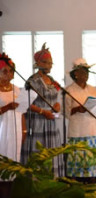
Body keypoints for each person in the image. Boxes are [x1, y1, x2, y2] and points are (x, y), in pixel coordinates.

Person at [21, 43, 64, 176]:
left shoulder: (52, 80)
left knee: (52, 151)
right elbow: (26, 103)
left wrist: (57, 106)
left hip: (51, 122)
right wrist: (42, 111)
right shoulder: (32, 81)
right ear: (38, 62)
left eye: (50, 63)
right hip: (37, 122)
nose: (49, 65)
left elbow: (56, 99)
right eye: (45, 62)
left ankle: (52, 182)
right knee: (38, 152)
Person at [65, 58, 96, 181]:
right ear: (76, 74)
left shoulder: (92, 89)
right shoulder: (69, 90)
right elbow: (65, 112)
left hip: (92, 128)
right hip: (77, 131)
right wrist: (77, 109)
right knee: (77, 163)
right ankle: (76, 186)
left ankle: (91, 184)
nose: (86, 75)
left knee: (91, 164)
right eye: (83, 72)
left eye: (87, 72)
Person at [0, 53, 23, 162]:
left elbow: (22, 110)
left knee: (15, 154)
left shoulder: (17, 89)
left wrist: (24, 130)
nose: (9, 74)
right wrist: (7, 107)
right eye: (5, 71)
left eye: (11, 71)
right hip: (2, 127)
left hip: (16, 128)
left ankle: (13, 178)